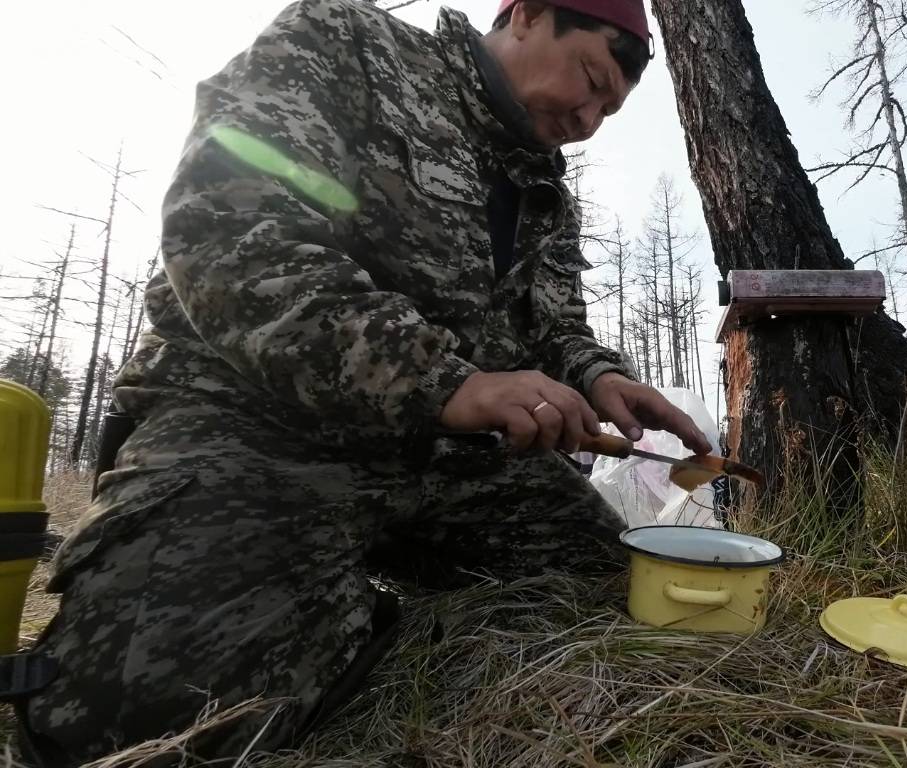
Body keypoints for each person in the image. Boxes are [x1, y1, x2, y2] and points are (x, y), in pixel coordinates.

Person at [13, 0, 710, 764]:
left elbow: (554, 325)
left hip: (450, 461)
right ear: (527, 14)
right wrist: (441, 382)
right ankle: (318, 608)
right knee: (138, 720)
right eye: (591, 80)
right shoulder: (348, 46)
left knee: (611, 594)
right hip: (260, 424)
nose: (589, 118)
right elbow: (231, 230)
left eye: (609, 110)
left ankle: (348, 613)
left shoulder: (543, 192)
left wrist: (600, 375)